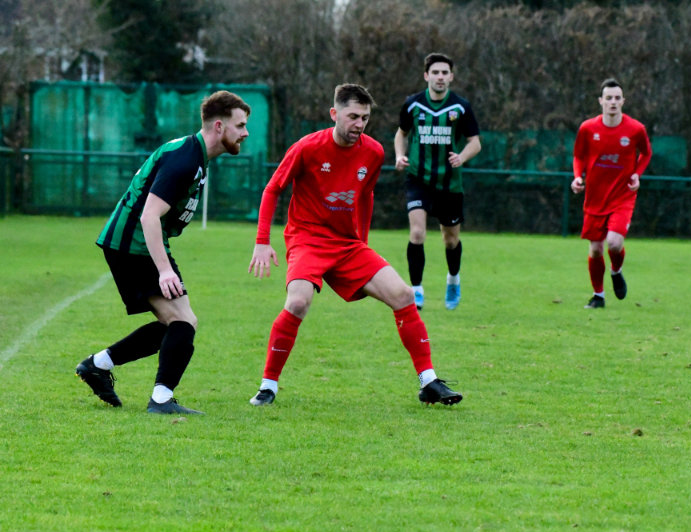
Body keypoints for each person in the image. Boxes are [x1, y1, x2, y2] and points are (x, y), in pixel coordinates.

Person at [247, 83, 462, 407]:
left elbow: (365, 195)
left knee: (404, 295)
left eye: (365, 118)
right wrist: (262, 241)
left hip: (347, 244)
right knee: (298, 303)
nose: (359, 124)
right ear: (334, 114)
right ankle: (268, 386)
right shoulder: (307, 147)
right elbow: (273, 188)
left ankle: (429, 381)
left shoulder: (373, 152)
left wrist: (362, 244)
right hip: (307, 239)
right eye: (352, 117)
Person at [75, 90, 251, 414]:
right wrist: (165, 270)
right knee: (182, 321)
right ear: (218, 126)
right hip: (133, 244)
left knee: (179, 323)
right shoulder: (185, 159)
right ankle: (159, 400)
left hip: (137, 243)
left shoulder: (195, 154)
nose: (246, 132)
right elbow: (149, 216)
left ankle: (98, 365)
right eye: (240, 125)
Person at [393, 52, 481, 311]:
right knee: (417, 233)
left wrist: (461, 157)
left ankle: (453, 279)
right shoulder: (413, 104)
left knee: (450, 240)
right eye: (435, 72)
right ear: (426, 76)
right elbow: (401, 134)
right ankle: (416, 290)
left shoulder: (461, 107)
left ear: (451, 77)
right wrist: (399, 155)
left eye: (444, 73)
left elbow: (475, 142)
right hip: (418, 179)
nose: (440, 77)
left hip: (449, 183)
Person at [571, 78, 652, 309]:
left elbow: (646, 153)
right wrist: (577, 177)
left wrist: (637, 174)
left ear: (623, 101)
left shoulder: (635, 129)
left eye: (617, 98)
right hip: (595, 196)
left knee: (614, 243)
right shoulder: (588, 128)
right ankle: (598, 296)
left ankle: (616, 270)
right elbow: (579, 156)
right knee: (596, 249)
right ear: (601, 101)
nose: (613, 102)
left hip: (622, 195)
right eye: (609, 98)